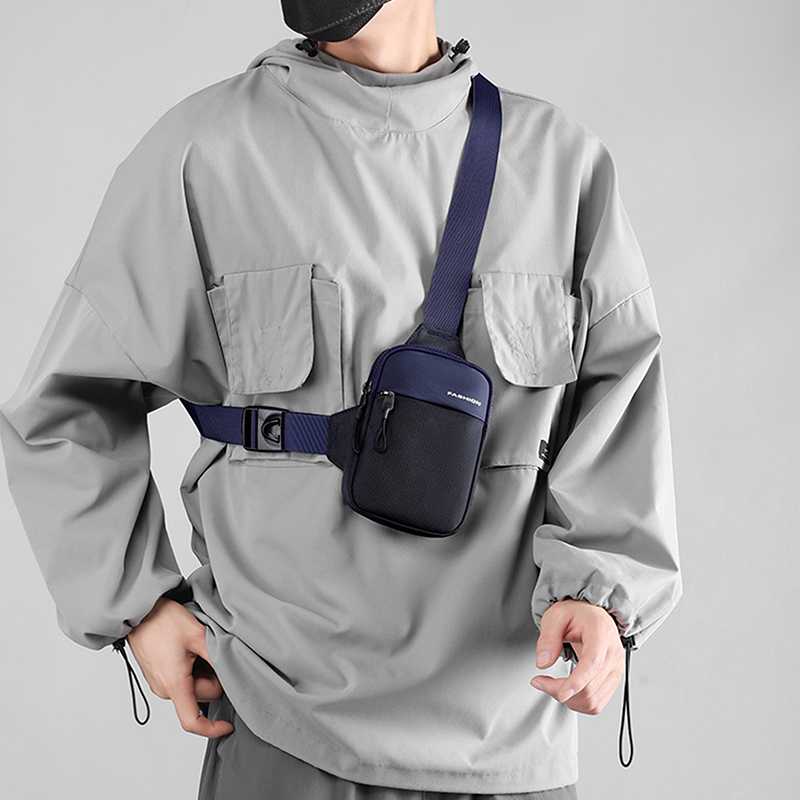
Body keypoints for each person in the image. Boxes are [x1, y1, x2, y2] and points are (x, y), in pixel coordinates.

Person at [0, 1, 683, 798]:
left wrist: (603, 597)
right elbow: (63, 407)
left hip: (514, 737)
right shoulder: (206, 152)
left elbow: (622, 400)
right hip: (283, 731)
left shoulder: (561, 165)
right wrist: (138, 607)